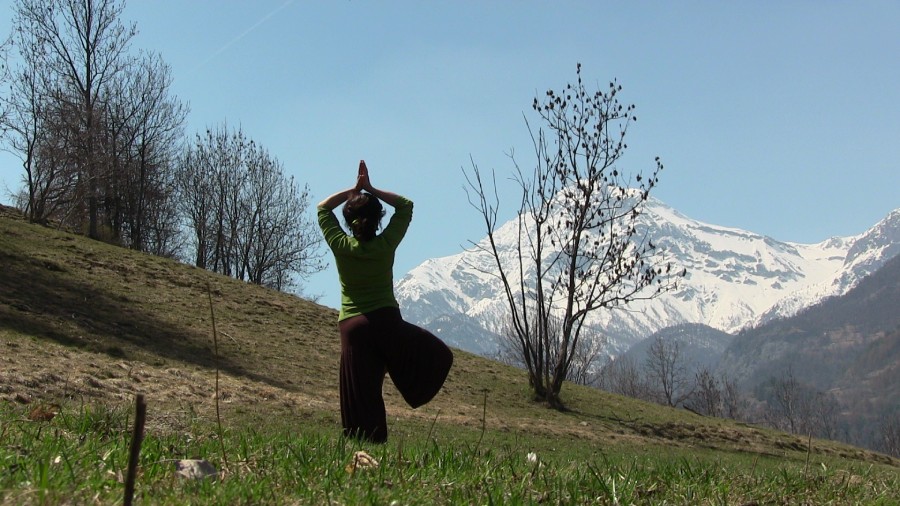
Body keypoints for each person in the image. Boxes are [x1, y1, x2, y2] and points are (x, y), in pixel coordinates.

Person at [317, 160, 453, 443]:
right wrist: (370, 188)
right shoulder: (385, 243)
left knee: (362, 396)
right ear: (378, 220)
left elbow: (322, 208)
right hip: (386, 322)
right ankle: (412, 390)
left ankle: (367, 450)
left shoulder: (342, 246)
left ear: (348, 221)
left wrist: (352, 191)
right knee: (439, 355)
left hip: (353, 328)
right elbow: (406, 205)